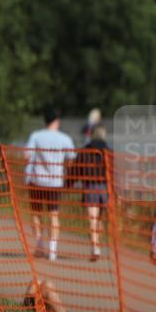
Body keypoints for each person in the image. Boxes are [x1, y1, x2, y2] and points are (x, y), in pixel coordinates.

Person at [24, 108, 76, 261]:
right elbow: (72, 159)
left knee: (36, 213)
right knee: (54, 214)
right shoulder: (65, 138)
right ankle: (53, 250)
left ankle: (40, 246)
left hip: (37, 181)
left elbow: (26, 155)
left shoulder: (36, 136)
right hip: (55, 182)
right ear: (57, 121)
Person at [76, 125, 109, 261]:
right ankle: (97, 244)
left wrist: (68, 183)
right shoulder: (109, 152)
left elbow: (77, 169)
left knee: (92, 219)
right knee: (100, 220)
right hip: (105, 188)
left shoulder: (84, 151)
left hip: (90, 186)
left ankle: (95, 247)